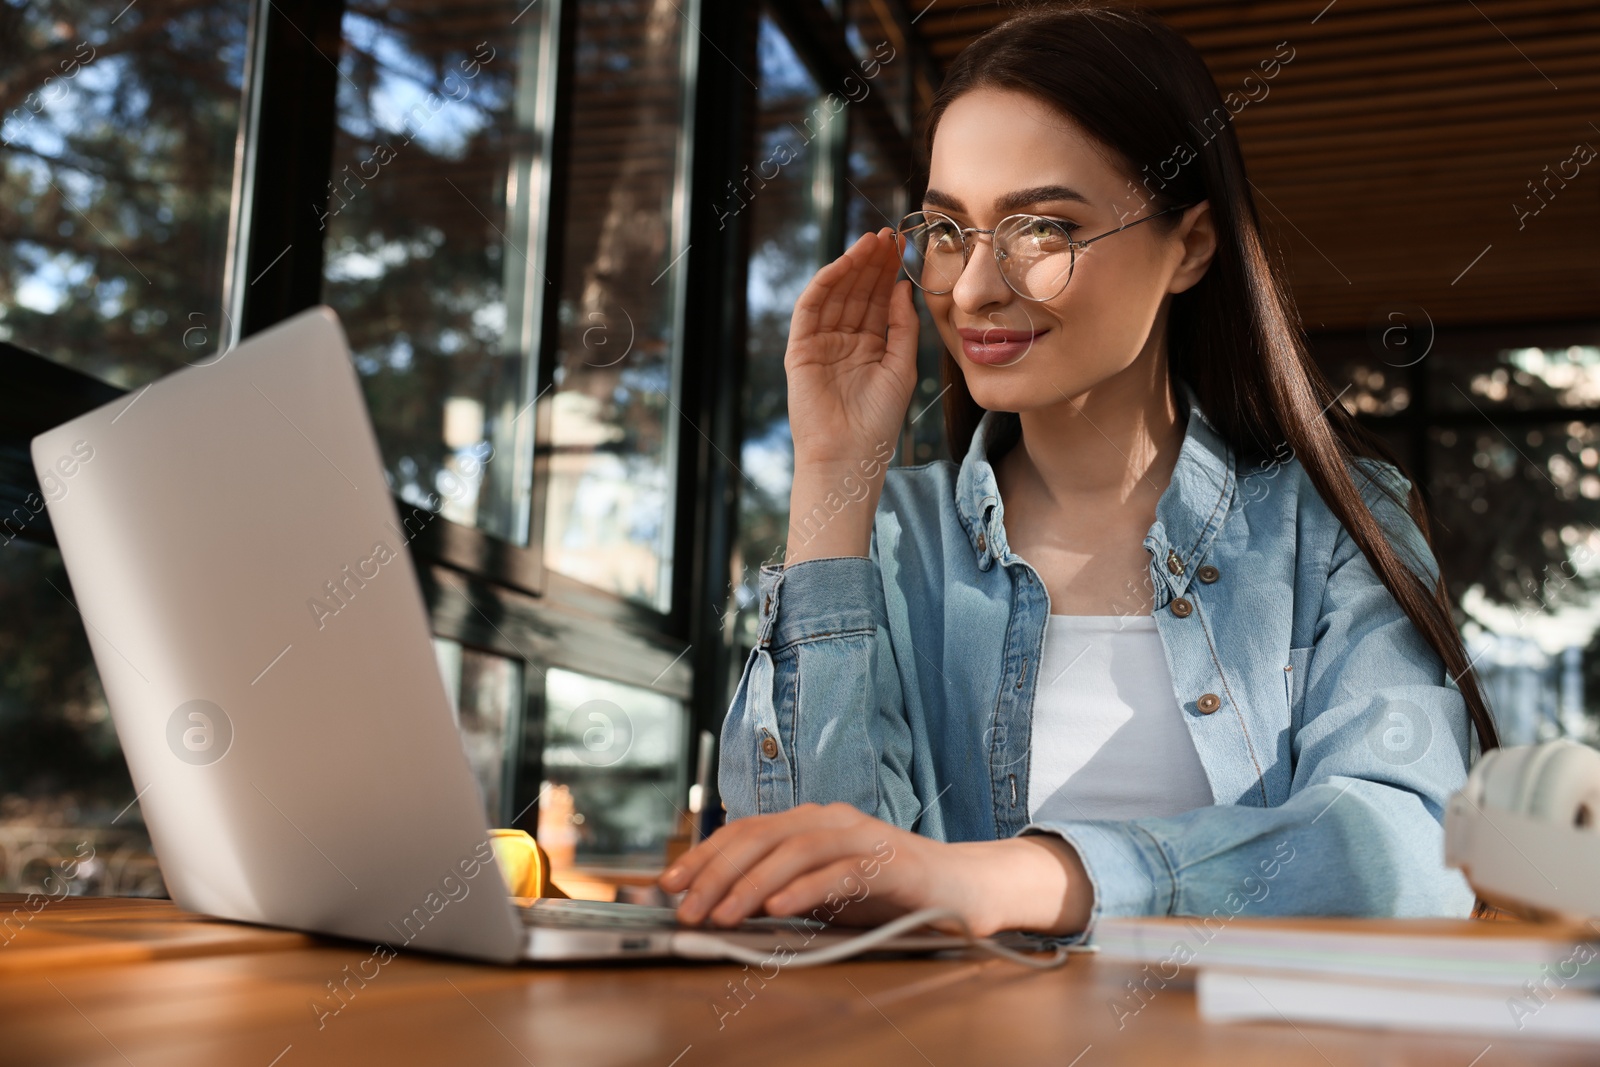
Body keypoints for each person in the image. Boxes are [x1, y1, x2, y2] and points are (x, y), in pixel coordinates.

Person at [658, 2, 1498, 941]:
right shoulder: (886, 539)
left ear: (1190, 246)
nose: (975, 288)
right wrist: (834, 469)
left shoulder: (1337, 527)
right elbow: (809, 892)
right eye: (946, 230)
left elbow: (1412, 846)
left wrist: (1014, 878)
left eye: (1042, 229)